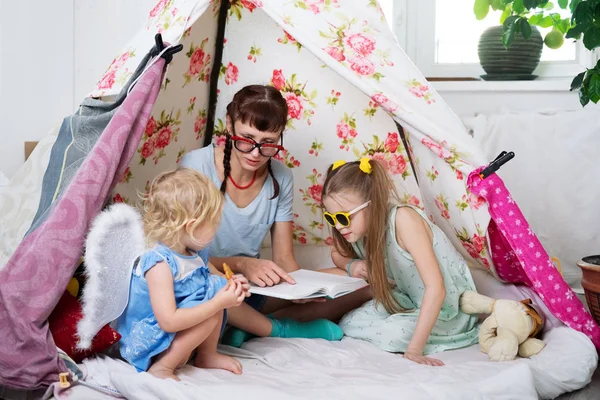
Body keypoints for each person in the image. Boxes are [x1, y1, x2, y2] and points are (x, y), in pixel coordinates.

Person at [181, 85, 371, 347]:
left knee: (366, 284)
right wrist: (242, 264)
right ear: (229, 125)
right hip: (206, 282)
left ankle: (245, 327)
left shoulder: (281, 176)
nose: (256, 153)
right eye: (246, 140)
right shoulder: (196, 166)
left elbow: (284, 259)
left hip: (253, 288)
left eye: (269, 143)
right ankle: (271, 328)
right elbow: (183, 255)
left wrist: (302, 290)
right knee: (208, 285)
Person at [320, 157, 479, 366]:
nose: (339, 226)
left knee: (396, 334)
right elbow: (337, 253)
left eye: (343, 217)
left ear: (372, 204)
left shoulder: (403, 220)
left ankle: (416, 335)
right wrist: (352, 265)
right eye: (332, 218)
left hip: (444, 308)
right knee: (350, 322)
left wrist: (415, 349)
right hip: (406, 300)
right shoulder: (359, 230)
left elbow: (436, 288)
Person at [117, 168, 247, 380]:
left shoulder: (193, 252)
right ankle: (163, 367)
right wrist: (217, 303)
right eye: (213, 223)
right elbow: (168, 321)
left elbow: (213, 279)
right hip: (150, 338)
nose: (217, 229)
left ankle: (207, 355)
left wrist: (232, 284)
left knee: (216, 287)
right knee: (213, 302)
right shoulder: (159, 264)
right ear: (192, 226)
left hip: (174, 330)